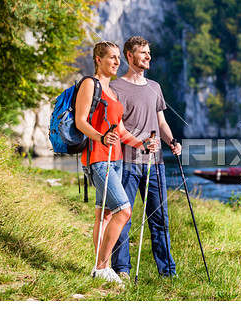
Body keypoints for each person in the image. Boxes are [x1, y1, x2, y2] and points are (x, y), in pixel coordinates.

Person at [74, 41, 155, 284]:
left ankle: (103, 268)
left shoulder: (111, 90)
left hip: (117, 158)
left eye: (119, 57)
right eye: (112, 57)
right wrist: (100, 136)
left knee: (105, 214)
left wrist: (142, 144)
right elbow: (80, 121)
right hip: (98, 159)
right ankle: (100, 268)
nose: (117, 62)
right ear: (98, 59)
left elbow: (119, 129)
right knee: (125, 210)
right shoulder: (90, 84)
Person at [110, 36, 181, 278]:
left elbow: (161, 122)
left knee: (160, 220)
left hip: (155, 164)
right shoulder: (115, 88)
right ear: (129, 56)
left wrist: (171, 141)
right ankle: (121, 270)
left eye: (149, 52)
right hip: (127, 163)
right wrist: (140, 142)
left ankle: (167, 272)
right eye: (143, 52)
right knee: (124, 217)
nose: (148, 56)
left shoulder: (155, 87)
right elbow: (117, 127)